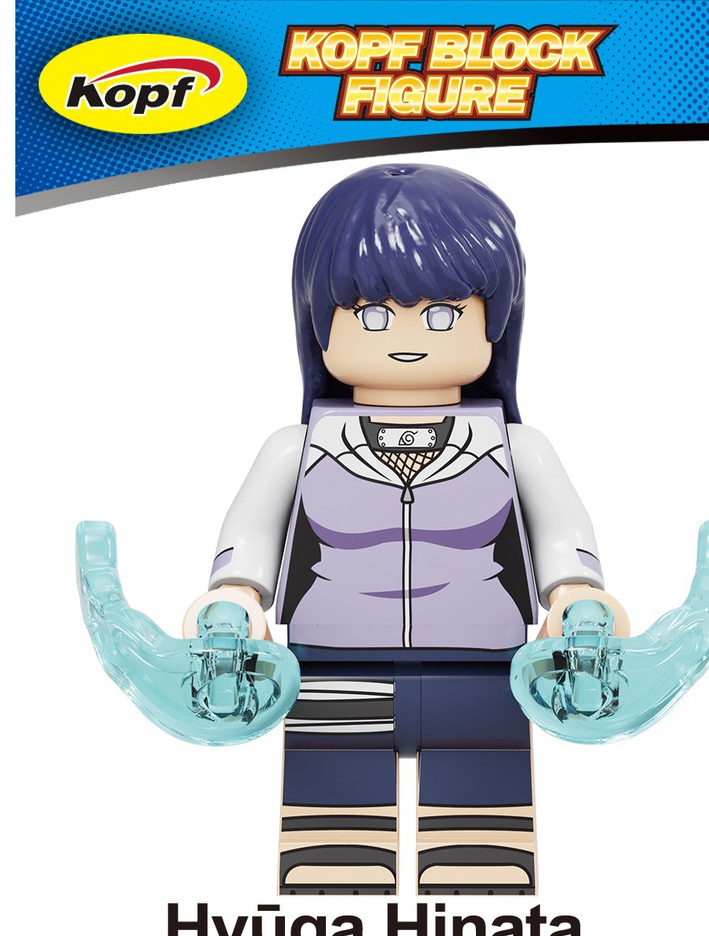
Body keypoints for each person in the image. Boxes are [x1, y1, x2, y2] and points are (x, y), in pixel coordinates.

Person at [184, 164, 628, 895]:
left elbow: (562, 540)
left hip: (482, 668)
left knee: (482, 853)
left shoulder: (517, 447)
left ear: (495, 323)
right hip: (334, 664)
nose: (409, 337)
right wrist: (233, 596)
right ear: (319, 323)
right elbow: (251, 541)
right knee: (333, 851)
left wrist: (578, 594)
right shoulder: (297, 448)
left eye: (445, 314)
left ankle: (482, 922)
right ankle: (335, 923)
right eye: (373, 315)